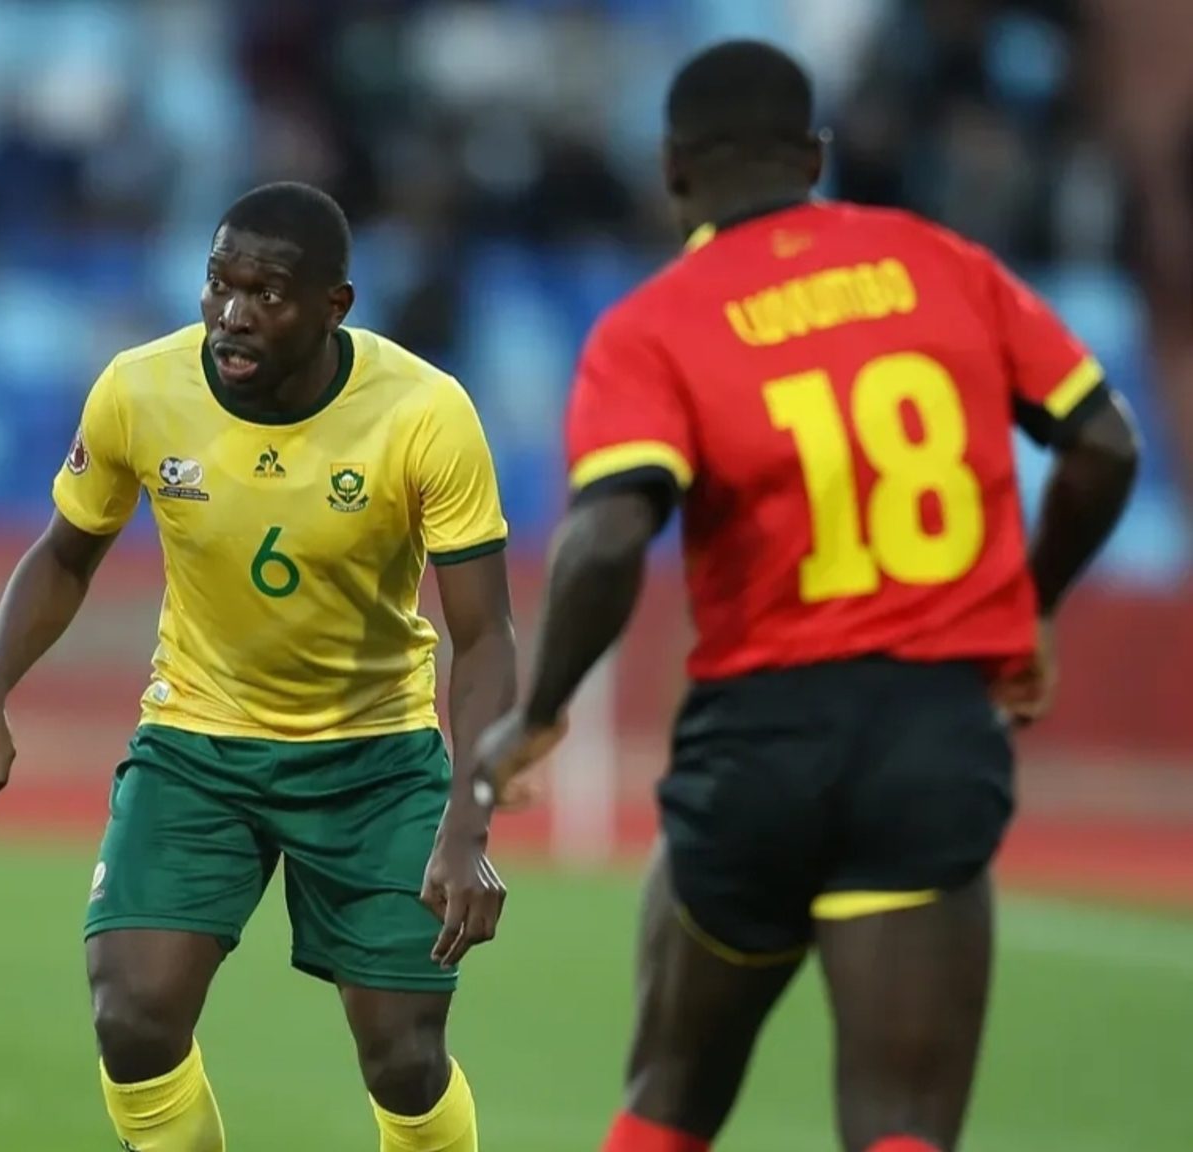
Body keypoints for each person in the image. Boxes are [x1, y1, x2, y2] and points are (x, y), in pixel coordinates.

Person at [474, 40, 1140, 1152]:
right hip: (930, 735)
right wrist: (1029, 602)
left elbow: (600, 542)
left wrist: (535, 711)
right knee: (899, 1125)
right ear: (816, 156)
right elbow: (1103, 448)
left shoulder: (655, 323)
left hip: (760, 739)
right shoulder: (942, 262)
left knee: (671, 1094)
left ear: (672, 169)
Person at [0, 182, 517, 1152]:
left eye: (269, 294)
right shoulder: (139, 390)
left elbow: (487, 634)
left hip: (372, 760)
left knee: (405, 1063)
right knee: (132, 1019)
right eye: (218, 283)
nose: (232, 315)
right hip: (195, 745)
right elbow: (63, 553)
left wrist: (469, 821)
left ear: (335, 307)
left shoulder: (424, 413)